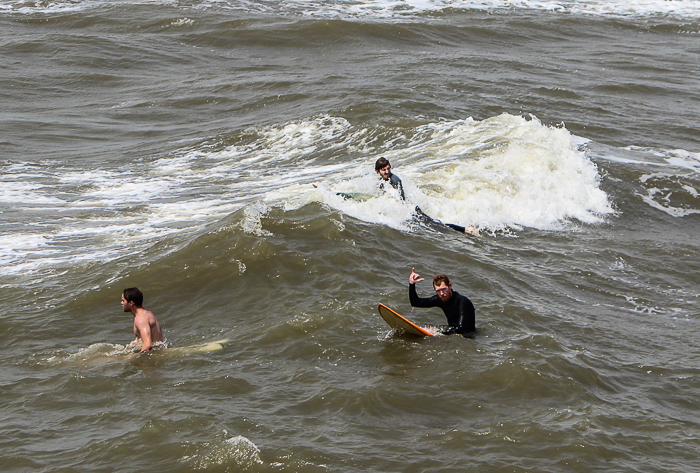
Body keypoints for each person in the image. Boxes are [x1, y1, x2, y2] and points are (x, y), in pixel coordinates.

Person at [374, 157, 479, 236]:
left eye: (388, 168)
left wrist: (403, 210)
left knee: (437, 225)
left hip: (412, 210)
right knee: (434, 226)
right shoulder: (382, 181)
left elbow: (401, 198)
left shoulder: (395, 180)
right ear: (378, 171)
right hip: (409, 210)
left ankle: (467, 229)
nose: (387, 172)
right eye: (384, 170)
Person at [408, 268, 475, 336]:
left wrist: (438, 333)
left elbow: (461, 329)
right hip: (452, 331)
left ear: (450, 286)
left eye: (444, 289)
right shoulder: (439, 299)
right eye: (438, 291)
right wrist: (411, 284)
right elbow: (416, 303)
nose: (441, 293)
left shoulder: (463, 302)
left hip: (468, 336)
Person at [121, 287, 164, 352]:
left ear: (131, 303)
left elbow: (148, 345)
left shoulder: (141, 319)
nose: (121, 303)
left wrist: (135, 358)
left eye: (123, 300)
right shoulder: (146, 313)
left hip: (153, 356)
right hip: (157, 352)